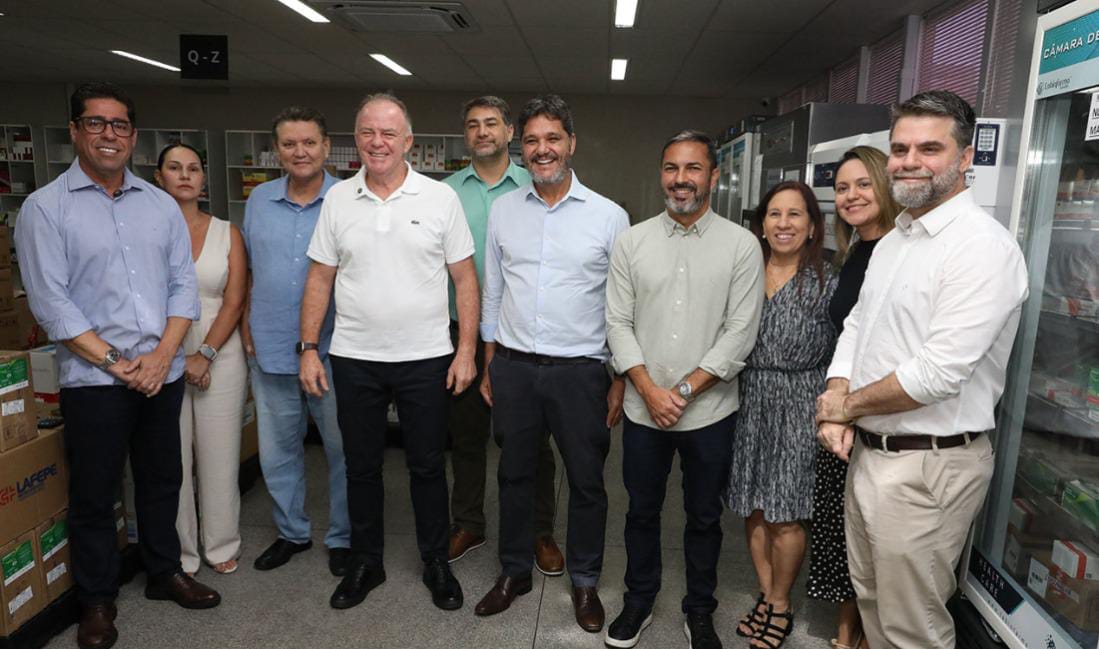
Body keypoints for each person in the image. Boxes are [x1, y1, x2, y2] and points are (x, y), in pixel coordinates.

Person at [816, 90, 1028, 649]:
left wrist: (846, 406)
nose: (909, 160)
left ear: (965, 158)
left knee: (913, 629)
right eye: (900, 148)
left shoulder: (981, 248)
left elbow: (937, 374)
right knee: (874, 606)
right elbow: (859, 326)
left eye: (929, 148)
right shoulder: (899, 238)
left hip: (930, 468)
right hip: (872, 454)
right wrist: (839, 400)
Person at [15, 82, 220, 649]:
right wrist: (118, 363)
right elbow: (51, 304)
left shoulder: (158, 205)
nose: (110, 134)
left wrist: (160, 357)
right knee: (95, 494)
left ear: (133, 135)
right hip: (94, 381)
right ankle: (98, 600)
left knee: (162, 479)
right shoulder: (45, 208)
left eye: (120, 125)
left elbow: (183, 287)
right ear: (76, 131)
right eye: (96, 123)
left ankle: (163, 572)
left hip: (163, 372)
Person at [300, 93, 478, 612]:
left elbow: (465, 279)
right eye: (367, 133)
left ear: (409, 143)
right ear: (356, 140)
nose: (377, 143)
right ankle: (366, 561)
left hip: (426, 357)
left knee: (426, 465)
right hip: (354, 356)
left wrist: (465, 350)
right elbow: (320, 278)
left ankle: (434, 561)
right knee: (361, 467)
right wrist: (309, 348)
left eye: (389, 134)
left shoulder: (440, 198)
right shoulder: (338, 200)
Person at [474, 94, 629, 634]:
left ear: (571, 144)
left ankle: (585, 580)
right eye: (532, 141)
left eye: (552, 139)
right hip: (514, 367)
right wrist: (491, 358)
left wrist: (619, 378)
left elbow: (621, 305)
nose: (542, 150)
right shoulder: (503, 211)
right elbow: (493, 289)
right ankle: (514, 572)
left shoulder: (609, 217)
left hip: (581, 372)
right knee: (514, 474)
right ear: (523, 147)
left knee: (587, 481)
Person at [604, 130, 764, 649]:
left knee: (703, 517)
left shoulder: (741, 245)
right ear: (661, 175)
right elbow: (617, 323)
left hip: (711, 412)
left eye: (693, 169)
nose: (681, 179)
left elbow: (740, 331)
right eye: (672, 168)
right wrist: (649, 390)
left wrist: (685, 391)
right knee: (641, 512)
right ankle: (639, 600)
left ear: (713, 177)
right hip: (642, 409)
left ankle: (700, 610)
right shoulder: (632, 241)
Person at [442, 96, 563, 574]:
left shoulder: (536, 185)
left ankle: (539, 530)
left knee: (529, 440)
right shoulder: (445, 193)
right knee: (465, 434)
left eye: (491, 123)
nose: (482, 132)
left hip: (520, 335)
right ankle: (469, 521)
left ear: (510, 131)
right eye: (472, 125)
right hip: (460, 332)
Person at [726, 180, 837, 649]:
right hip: (749, 397)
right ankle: (768, 594)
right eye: (775, 214)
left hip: (801, 399)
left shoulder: (830, 279)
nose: (784, 224)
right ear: (762, 224)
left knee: (786, 514)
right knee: (753, 507)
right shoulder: (746, 269)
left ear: (812, 226)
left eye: (795, 215)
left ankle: (781, 603)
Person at [241, 107, 351, 577]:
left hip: (333, 349)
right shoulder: (259, 199)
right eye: (289, 144)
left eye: (309, 142)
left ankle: (344, 537)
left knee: (343, 449)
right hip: (269, 345)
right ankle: (292, 532)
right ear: (276, 151)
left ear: (327, 147)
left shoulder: (349, 198)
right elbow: (249, 269)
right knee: (277, 450)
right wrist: (246, 322)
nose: (300, 152)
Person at [806, 145, 899, 649]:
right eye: (842, 188)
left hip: (883, 413)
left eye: (863, 184)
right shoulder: (855, 252)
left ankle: (861, 635)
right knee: (847, 533)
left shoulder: (901, 250)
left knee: (880, 544)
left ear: (885, 185)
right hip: (844, 413)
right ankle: (847, 634)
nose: (851, 196)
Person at [155, 143, 249, 577]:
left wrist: (205, 354)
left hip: (220, 352)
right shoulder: (145, 231)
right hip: (160, 356)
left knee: (219, 455)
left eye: (194, 168)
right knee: (171, 459)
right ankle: (181, 552)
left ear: (204, 179)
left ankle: (221, 543)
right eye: (175, 168)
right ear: (159, 177)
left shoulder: (226, 231)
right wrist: (175, 357)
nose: (185, 175)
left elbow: (234, 300)